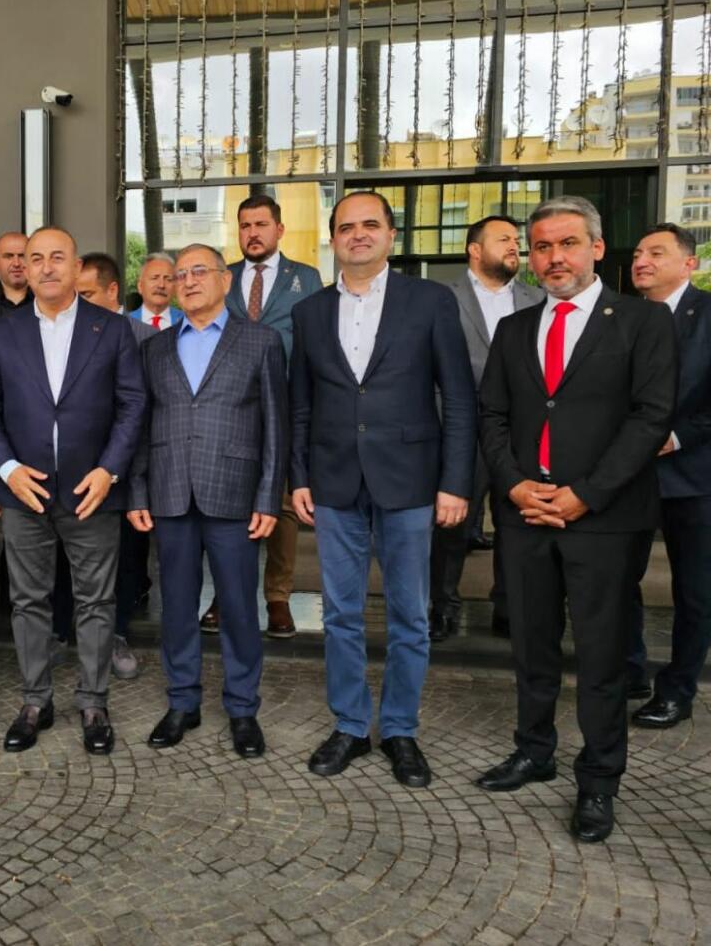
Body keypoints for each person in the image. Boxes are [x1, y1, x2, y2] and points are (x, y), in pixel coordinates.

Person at [476, 196, 675, 844]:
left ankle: (599, 780)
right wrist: (513, 486)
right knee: (531, 645)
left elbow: (651, 417)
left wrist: (585, 493)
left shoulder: (643, 322)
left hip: (604, 519)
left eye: (567, 243)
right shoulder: (514, 330)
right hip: (525, 514)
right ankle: (534, 751)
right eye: (541, 247)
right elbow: (492, 415)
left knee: (601, 655)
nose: (554, 257)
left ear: (596, 248)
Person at [291, 191, 474, 789]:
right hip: (334, 482)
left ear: (391, 235)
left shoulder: (430, 301)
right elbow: (300, 404)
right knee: (340, 614)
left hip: (412, 481)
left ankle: (399, 729)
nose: (358, 234)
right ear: (333, 238)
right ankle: (350, 725)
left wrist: (455, 482)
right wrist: (298, 477)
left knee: (409, 616)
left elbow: (459, 398)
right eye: (347, 227)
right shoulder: (310, 312)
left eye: (370, 224)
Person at [0, 226, 146, 755]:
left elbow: (132, 404)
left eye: (57, 257)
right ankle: (35, 701)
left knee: (96, 601)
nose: (46, 267)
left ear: (75, 267)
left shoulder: (111, 329)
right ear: (24, 268)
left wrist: (109, 470)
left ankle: (93, 702)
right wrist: (6, 469)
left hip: (92, 491)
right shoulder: (1, 331)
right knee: (27, 601)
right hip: (24, 492)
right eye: (36, 258)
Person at [129, 243, 287, 758]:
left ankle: (242, 708)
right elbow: (140, 424)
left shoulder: (260, 341)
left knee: (239, 605)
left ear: (225, 279)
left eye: (200, 271)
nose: (189, 281)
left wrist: (269, 497)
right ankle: (182, 701)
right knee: (176, 605)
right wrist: (137, 489)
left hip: (235, 494)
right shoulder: (154, 348)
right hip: (170, 492)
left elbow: (276, 426)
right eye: (181, 274)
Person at [429, 216, 543, 642]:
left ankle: (508, 608)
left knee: (516, 523)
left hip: (520, 430)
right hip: (461, 427)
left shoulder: (537, 298)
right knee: (452, 524)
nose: (515, 246)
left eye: (516, 240)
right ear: (475, 250)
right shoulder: (442, 297)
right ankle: (443, 606)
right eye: (503, 239)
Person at [215, 193, 322, 642]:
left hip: (286, 405)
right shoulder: (224, 277)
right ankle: (226, 594)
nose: (252, 233)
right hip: (234, 408)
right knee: (231, 502)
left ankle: (278, 596)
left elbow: (316, 343)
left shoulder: (306, 278)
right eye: (245, 226)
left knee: (282, 504)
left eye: (261, 224)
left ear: (279, 229)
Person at [629, 223, 711, 728]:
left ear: (689, 264)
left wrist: (677, 437)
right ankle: (629, 670)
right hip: (627, 474)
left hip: (695, 475)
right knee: (618, 579)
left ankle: (678, 689)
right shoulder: (620, 316)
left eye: (656, 253)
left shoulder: (707, 315)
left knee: (695, 592)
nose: (642, 260)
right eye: (639, 252)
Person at [77, 251, 156, 679]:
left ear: (112, 291)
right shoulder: (67, 332)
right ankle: (70, 634)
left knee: (125, 559)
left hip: (125, 470)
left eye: (87, 294)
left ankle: (117, 634)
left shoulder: (145, 337)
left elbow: (144, 410)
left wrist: (123, 468)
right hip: (76, 471)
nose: (79, 301)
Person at [130, 253, 183, 330]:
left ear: (175, 288)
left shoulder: (187, 321)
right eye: (154, 278)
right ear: (140, 286)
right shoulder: (125, 323)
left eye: (168, 279)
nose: (161, 285)